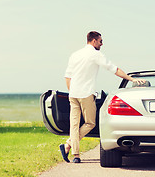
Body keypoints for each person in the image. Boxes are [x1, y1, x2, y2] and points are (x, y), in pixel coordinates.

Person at [60, 31, 145, 163]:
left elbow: (67, 76)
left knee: (74, 125)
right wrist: (131, 79)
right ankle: (68, 145)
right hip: (86, 94)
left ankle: (75, 155)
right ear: (93, 41)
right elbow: (114, 69)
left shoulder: (75, 55)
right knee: (90, 123)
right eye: (100, 41)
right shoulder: (95, 54)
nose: (102, 43)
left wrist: (72, 91)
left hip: (73, 94)